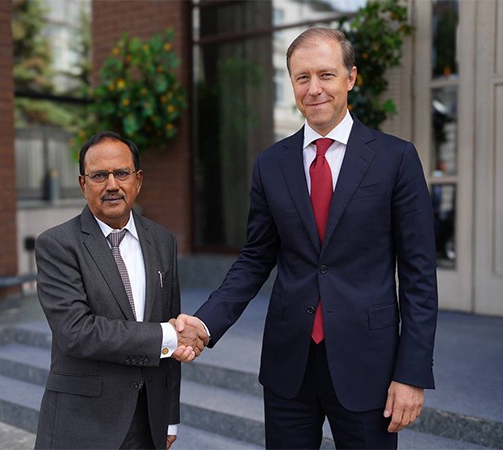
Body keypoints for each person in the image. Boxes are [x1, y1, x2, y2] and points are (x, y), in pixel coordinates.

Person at [176, 27, 438, 449]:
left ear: (351, 77)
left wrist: (411, 373)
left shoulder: (395, 158)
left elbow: (419, 277)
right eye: (302, 77)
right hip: (289, 364)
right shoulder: (270, 164)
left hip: (368, 364)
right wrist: (205, 323)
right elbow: (254, 259)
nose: (314, 88)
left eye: (326, 75)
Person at [34, 131, 207, 450]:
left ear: (138, 180)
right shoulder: (57, 245)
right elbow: (76, 332)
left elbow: (170, 323)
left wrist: (169, 417)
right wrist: (168, 336)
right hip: (83, 423)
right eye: (99, 175)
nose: (112, 185)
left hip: (148, 421)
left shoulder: (163, 241)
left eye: (122, 173)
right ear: (83, 184)